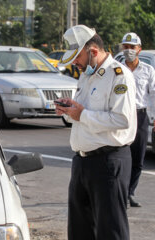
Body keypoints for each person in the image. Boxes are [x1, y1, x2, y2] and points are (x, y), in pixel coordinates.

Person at [56, 25, 137, 240]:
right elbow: (81, 114)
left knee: (110, 230)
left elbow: (122, 119)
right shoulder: (86, 75)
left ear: (92, 51)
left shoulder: (119, 76)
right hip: (82, 162)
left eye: (77, 57)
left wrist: (81, 114)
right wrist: (67, 110)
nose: (75, 62)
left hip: (109, 161)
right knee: (80, 230)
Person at [120, 32, 155, 207]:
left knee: (138, 158)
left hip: (140, 116)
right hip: (121, 116)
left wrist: (154, 118)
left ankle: (130, 193)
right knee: (120, 155)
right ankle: (120, 192)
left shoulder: (148, 71)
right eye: (125, 47)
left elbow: (154, 95)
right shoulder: (116, 69)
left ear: (139, 49)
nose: (128, 51)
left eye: (132, 48)